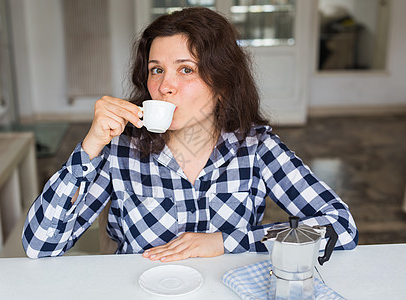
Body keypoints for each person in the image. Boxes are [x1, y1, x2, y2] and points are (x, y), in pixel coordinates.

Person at [22, 7, 358, 260]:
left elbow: (339, 228)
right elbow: (40, 245)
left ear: (223, 83)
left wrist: (225, 242)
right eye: (157, 70)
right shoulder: (120, 149)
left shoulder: (256, 147)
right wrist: (91, 146)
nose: (165, 86)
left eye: (186, 69)